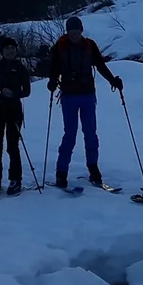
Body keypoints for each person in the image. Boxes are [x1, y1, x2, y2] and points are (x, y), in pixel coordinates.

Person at [45, 16, 122, 188]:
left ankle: (93, 168)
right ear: (67, 32)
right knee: (70, 134)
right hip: (69, 95)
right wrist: (52, 80)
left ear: (81, 31)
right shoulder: (60, 46)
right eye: (71, 32)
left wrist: (112, 80)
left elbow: (100, 65)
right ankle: (61, 172)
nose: (74, 35)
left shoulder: (89, 45)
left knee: (90, 133)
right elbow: (54, 67)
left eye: (77, 32)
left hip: (87, 94)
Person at [0, 37, 32, 195]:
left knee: (13, 146)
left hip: (14, 110)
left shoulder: (21, 68)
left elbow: (27, 91)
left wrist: (13, 93)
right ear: (2, 51)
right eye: (7, 48)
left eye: (12, 48)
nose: (10, 51)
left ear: (16, 50)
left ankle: (15, 180)